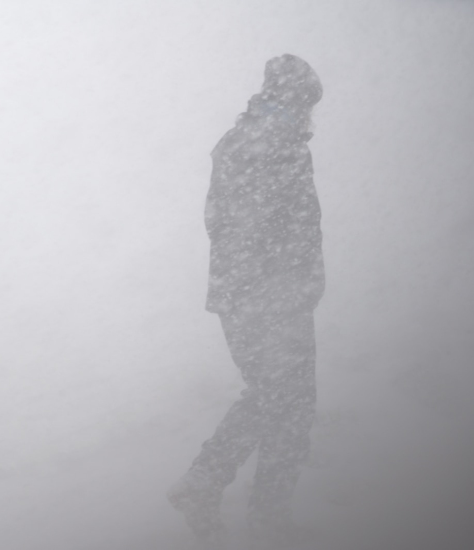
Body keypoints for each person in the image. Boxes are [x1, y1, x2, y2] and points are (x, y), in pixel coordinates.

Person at [168, 54, 325, 548]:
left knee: (273, 397)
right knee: (290, 404)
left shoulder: (246, 142)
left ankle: (207, 485)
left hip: (251, 296)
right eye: (308, 103)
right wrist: (284, 285)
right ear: (293, 98)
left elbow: (222, 222)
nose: (311, 116)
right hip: (272, 299)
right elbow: (259, 229)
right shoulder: (271, 147)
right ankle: (263, 516)